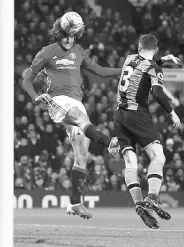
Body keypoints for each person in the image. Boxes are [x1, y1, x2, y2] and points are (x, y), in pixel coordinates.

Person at [22, 12, 122, 219]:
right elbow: (26, 79)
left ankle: (75, 203)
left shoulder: (79, 51)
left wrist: (124, 70)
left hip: (77, 101)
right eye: (66, 35)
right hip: (57, 101)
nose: (69, 40)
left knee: (82, 153)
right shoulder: (47, 52)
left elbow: (101, 71)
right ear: (59, 33)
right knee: (80, 117)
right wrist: (35, 97)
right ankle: (109, 142)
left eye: (73, 36)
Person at [114, 34, 180, 229]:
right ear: (156, 48)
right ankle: (152, 196)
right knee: (158, 156)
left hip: (119, 116)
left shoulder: (129, 58)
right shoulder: (154, 68)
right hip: (138, 115)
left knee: (130, 162)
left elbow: (143, 66)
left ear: (139, 46)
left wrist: (162, 60)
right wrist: (172, 112)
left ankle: (139, 204)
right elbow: (158, 92)